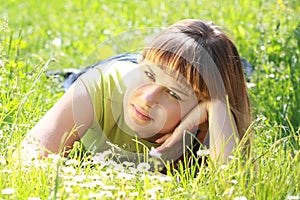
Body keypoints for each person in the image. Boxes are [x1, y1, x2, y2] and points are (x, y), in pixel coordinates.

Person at [17, 19, 251, 169]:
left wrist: (217, 106)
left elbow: (239, 191)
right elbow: (26, 159)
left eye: (173, 94)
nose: (148, 99)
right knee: (71, 80)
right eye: (150, 75)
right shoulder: (100, 84)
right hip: (118, 69)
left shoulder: (211, 121)